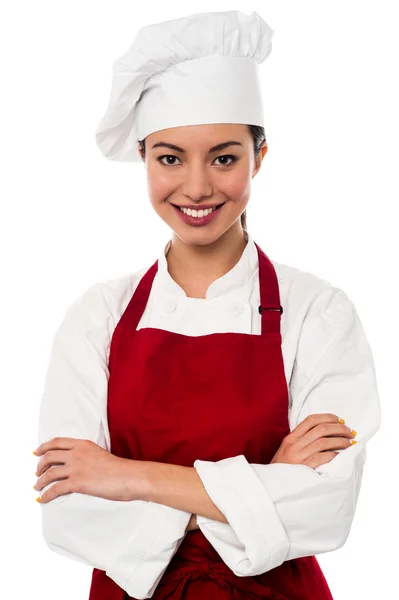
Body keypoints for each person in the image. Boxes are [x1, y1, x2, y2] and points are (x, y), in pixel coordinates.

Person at [34, 9, 381, 600]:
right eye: (170, 158)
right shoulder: (97, 317)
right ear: (144, 159)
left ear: (259, 158)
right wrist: (267, 485)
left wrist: (126, 476)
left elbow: (327, 505)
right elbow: (67, 509)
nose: (196, 187)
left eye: (224, 158)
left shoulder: (318, 311)